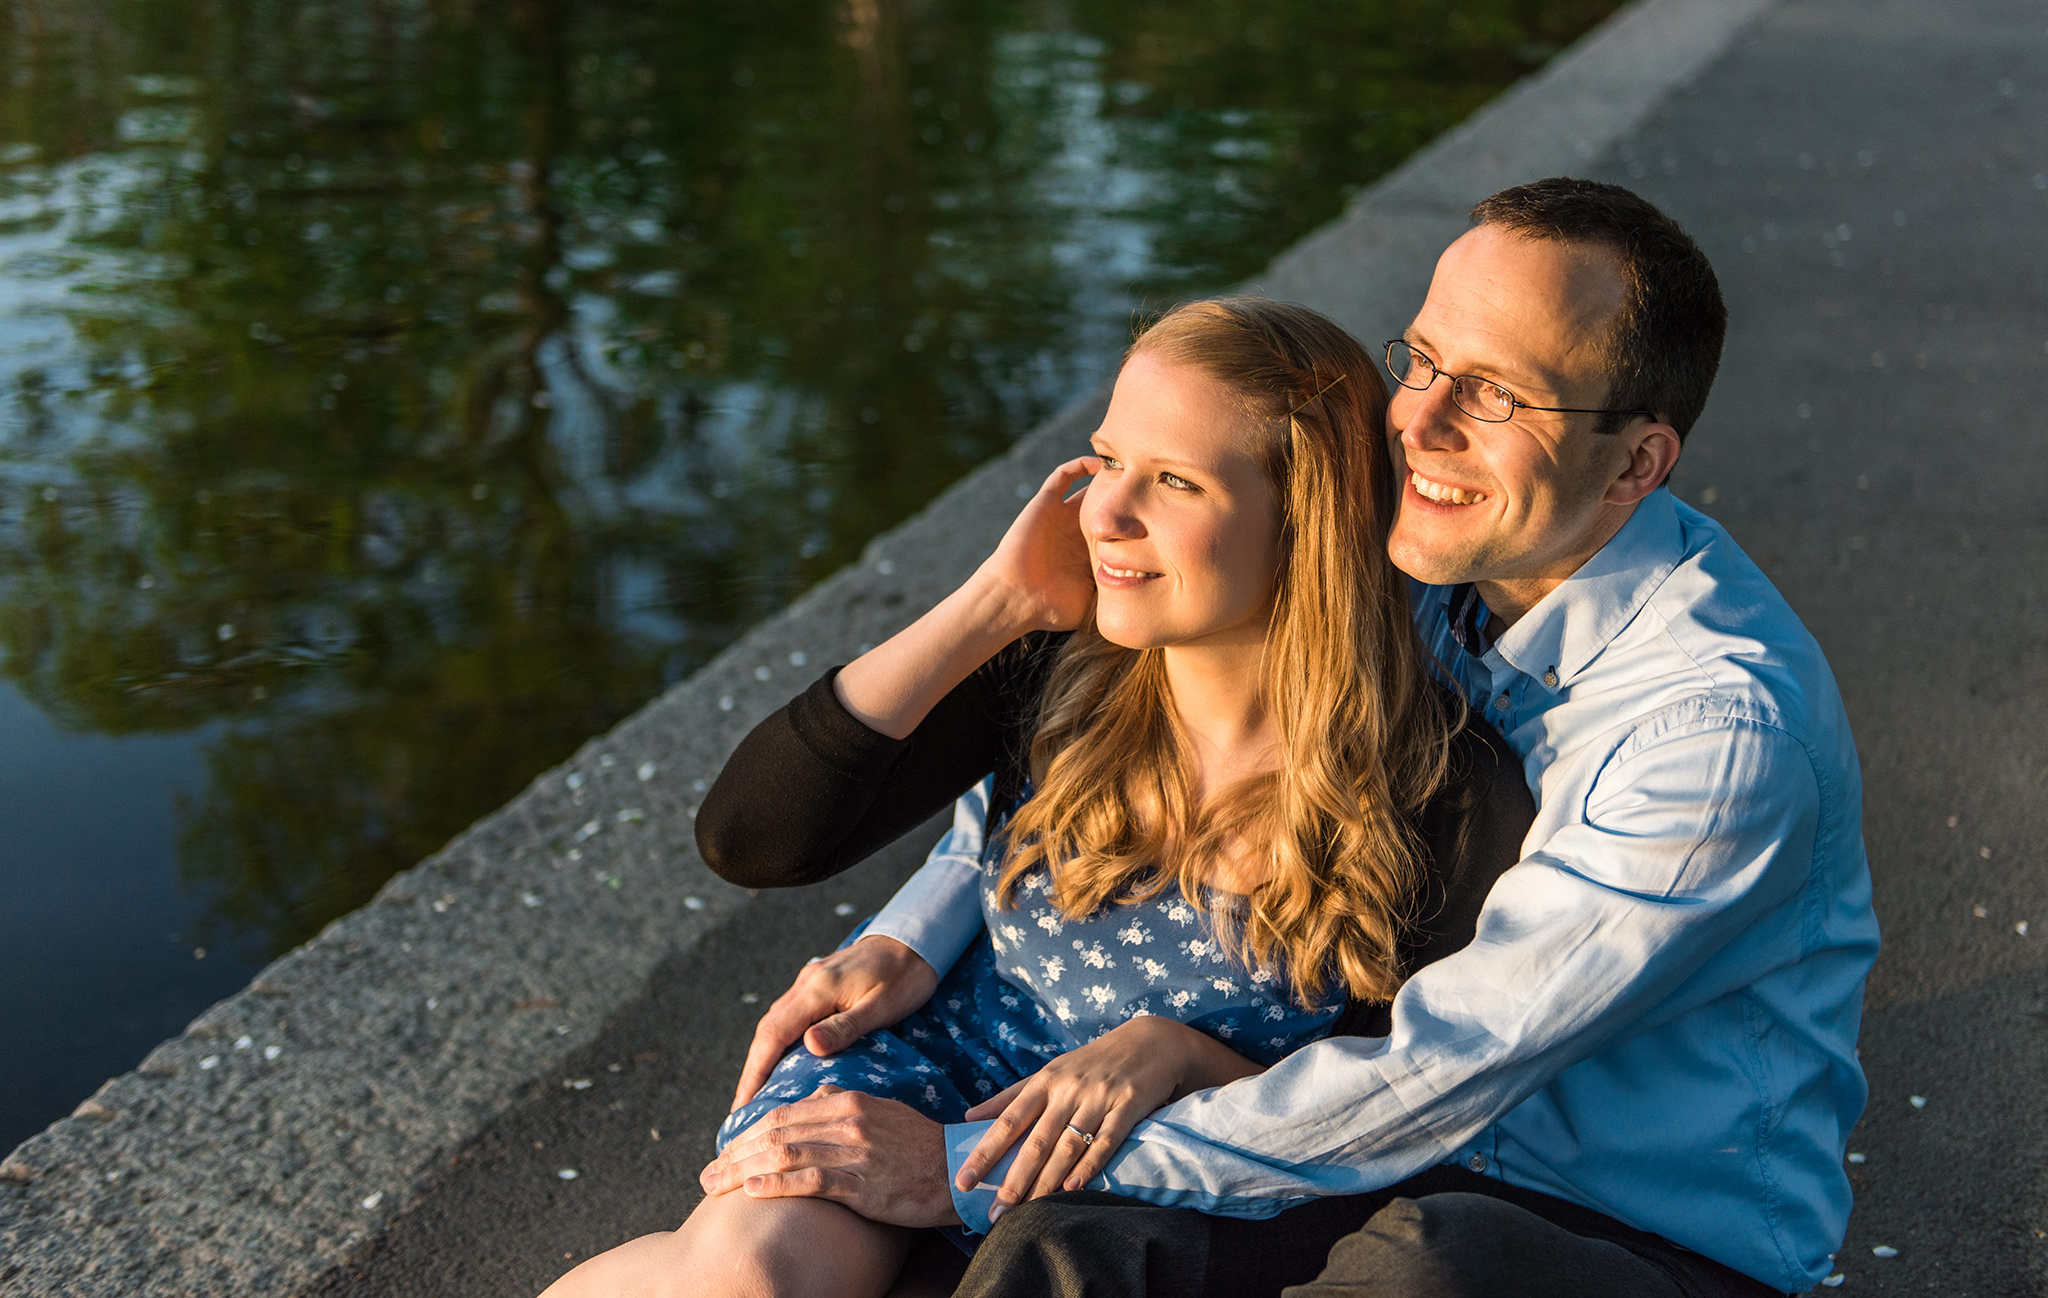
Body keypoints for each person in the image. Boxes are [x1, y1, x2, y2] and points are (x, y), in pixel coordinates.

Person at [718, 179, 1881, 1298]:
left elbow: (1441, 1068)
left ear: (1636, 461)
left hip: (1602, 1219)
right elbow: (1072, 746)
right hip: (1357, 1144)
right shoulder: (1428, 544)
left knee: (1409, 1271)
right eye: (1420, 359)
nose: (1415, 425)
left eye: (1490, 395)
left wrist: (964, 1165)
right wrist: (918, 931)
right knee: (1064, 1253)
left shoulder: (1711, 735)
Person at [537, 297, 1535, 1298]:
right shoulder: (1065, 671)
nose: (1103, 512)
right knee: (748, 1276)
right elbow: (754, 835)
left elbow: (1408, 1110)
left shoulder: (1436, 791)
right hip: (925, 1076)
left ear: (1302, 524)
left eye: (1173, 481)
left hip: (1145, 1189)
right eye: (1106, 460)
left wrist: (1181, 1054)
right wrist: (998, 601)